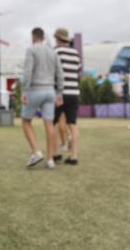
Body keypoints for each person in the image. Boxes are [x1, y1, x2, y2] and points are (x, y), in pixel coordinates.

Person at [21, 27, 64, 169]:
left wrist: (24, 91)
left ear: (33, 37)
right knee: (49, 124)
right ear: (44, 37)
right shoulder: (53, 52)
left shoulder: (31, 50)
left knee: (26, 121)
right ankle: (50, 159)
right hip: (50, 92)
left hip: (35, 90)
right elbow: (60, 75)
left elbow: (28, 73)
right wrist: (59, 93)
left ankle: (36, 152)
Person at [52, 28, 81, 165]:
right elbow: (78, 71)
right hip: (74, 93)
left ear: (57, 39)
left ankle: (57, 153)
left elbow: (53, 73)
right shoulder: (76, 54)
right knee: (73, 124)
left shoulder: (56, 52)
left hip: (59, 93)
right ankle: (74, 156)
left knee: (54, 123)